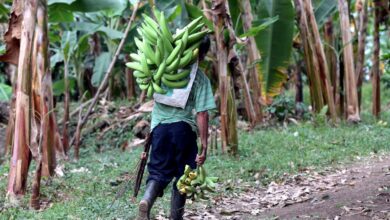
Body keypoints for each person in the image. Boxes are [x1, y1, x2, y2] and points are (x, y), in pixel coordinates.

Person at [136, 36, 216, 220]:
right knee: (184, 175)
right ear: (202, 55)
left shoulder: (160, 71)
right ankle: (176, 217)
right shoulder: (200, 79)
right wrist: (204, 145)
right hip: (184, 131)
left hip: (159, 130)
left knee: (157, 171)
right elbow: (202, 113)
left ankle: (147, 200)